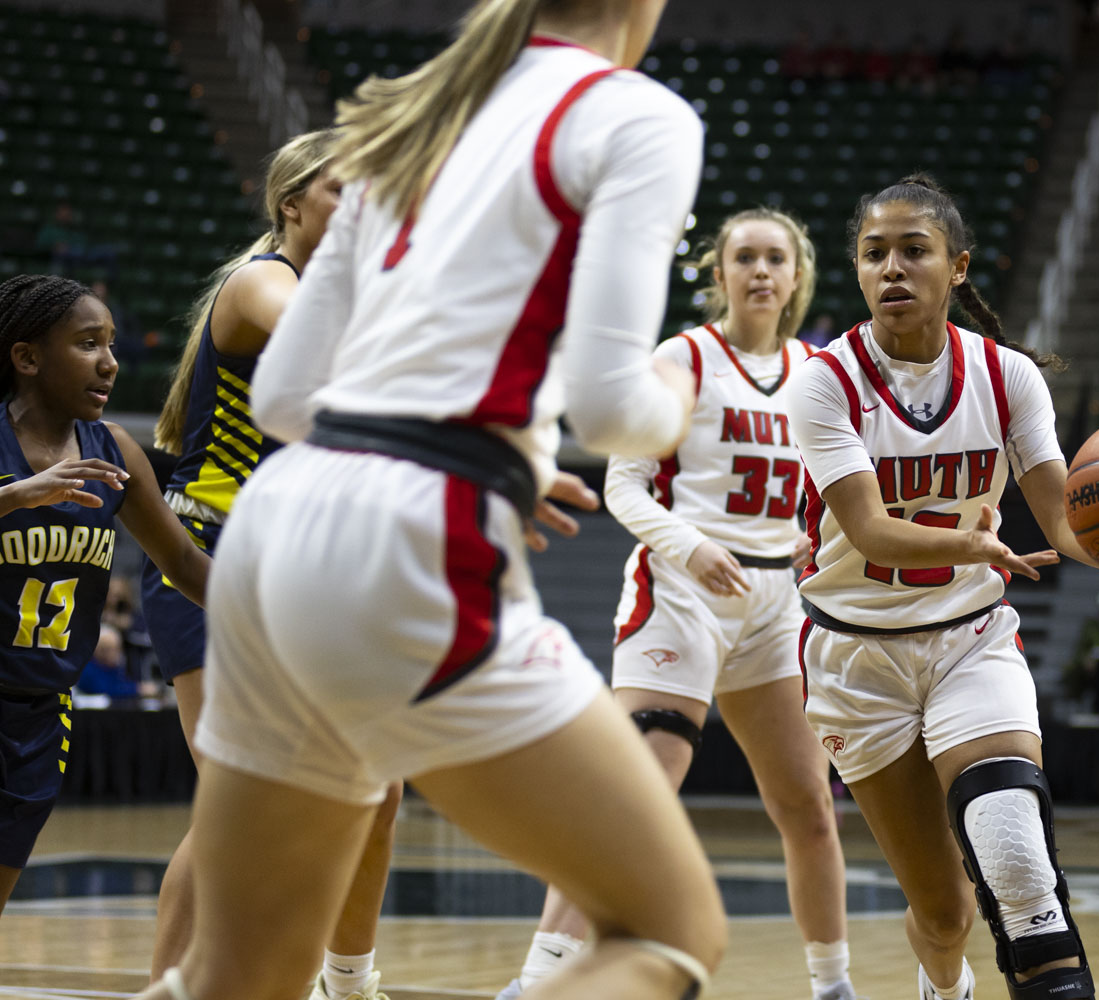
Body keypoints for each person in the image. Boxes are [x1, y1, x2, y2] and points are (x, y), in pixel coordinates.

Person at [130, 3, 726, 1000]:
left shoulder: (411, 122)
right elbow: (616, 404)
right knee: (666, 932)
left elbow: (280, 400)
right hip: (411, 537)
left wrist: (478, 446)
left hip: (274, 531)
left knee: (234, 977)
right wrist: (682, 393)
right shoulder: (635, 116)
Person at [787, 174, 1099, 1000]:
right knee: (942, 912)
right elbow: (865, 528)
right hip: (856, 658)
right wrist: (969, 538)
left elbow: (1066, 517)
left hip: (969, 637)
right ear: (857, 273)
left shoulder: (1008, 378)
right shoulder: (826, 381)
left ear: (957, 267)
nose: (892, 267)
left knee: (1014, 857)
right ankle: (947, 987)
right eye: (874, 253)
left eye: (914, 250)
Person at [500, 209, 857, 1000]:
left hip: (777, 602)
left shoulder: (817, 373)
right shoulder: (684, 356)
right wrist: (689, 543)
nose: (761, 271)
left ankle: (833, 986)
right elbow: (622, 483)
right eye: (745, 258)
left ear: (797, 276)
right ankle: (536, 980)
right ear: (720, 273)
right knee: (635, 793)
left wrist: (819, 535)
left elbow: (836, 492)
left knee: (807, 805)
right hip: (683, 585)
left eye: (775, 258)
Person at [141, 129, 407, 1000]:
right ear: (291, 204)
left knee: (379, 786)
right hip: (210, 557)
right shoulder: (265, 283)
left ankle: (349, 980)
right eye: (343, 193)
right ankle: (167, 987)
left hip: (300, 569)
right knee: (240, 800)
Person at [0, 274, 211, 914]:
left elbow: (178, 557)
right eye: (88, 343)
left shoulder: (114, 449)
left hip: (39, 714)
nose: (110, 362)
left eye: (112, 344)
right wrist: (18, 496)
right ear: (28, 356)